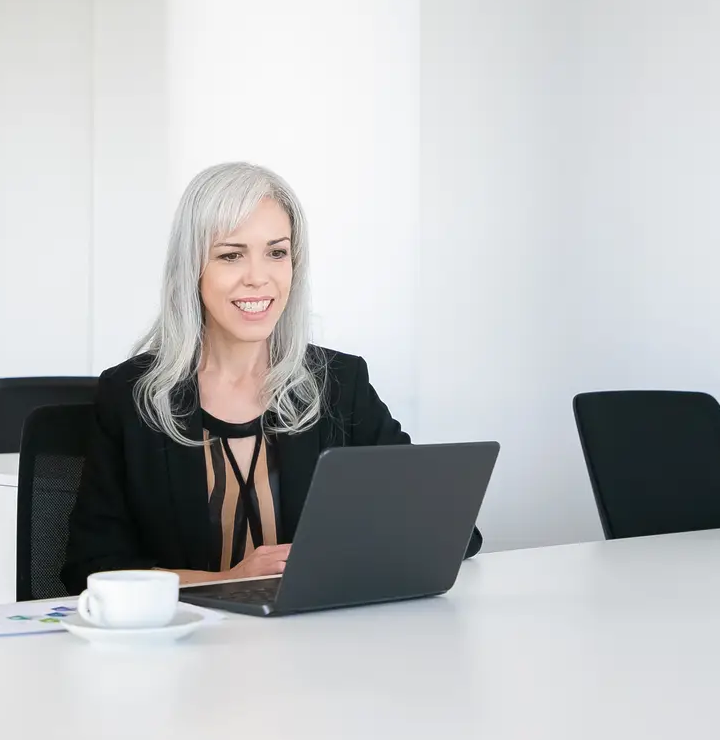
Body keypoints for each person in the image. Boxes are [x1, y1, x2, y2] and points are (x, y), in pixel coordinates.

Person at [61, 162, 483, 593]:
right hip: (186, 647)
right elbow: (92, 571)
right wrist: (226, 581)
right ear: (192, 269)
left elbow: (454, 533)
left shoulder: (338, 384)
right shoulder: (131, 396)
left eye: (276, 252)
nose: (258, 277)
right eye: (230, 255)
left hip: (315, 643)